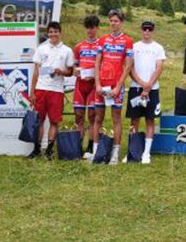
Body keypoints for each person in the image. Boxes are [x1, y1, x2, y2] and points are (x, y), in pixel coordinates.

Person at [28, 21, 74, 160]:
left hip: (56, 91)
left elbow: (70, 72)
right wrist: (32, 92)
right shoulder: (41, 49)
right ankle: (36, 149)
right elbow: (36, 72)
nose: (53, 34)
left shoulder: (67, 50)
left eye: (56, 31)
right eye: (51, 32)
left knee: (54, 121)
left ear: (60, 32)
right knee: (39, 121)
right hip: (41, 89)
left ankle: (49, 149)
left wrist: (61, 72)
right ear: (48, 33)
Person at [94, 9, 133, 164]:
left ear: (122, 23)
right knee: (98, 117)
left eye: (116, 21)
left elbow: (128, 66)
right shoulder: (102, 40)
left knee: (116, 118)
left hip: (116, 84)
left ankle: (115, 154)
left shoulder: (127, 41)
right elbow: (97, 63)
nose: (113, 23)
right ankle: (96, 152)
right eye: (111, 21)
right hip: (102, 84)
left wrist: (118, 87)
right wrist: (97, 84)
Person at [127, 20, 166, 164]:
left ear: (153, 30)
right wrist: (141, 83)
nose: (147, 31)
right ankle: (133, 151)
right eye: (145, 29)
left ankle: (146, 153)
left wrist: (148, 85)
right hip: (136, 87)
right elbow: (130, 67)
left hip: (152, 89)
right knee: (134, 120)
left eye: (149, 29)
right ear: (141, 30)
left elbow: (159, 67)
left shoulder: (158, 48)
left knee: (150, 120)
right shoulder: (134, 47)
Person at [73, 15, 100, 157]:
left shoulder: (101, 46)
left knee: (92, 116)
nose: (90, 31)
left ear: (97, 28)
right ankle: (78, 146)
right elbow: (74, 67)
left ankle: (90, 146)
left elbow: (103, 66)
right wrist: (75, 71)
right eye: (88, 28)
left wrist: (95, 76)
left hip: (94, 85)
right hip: (80, 85)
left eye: (93, 28)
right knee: (78, 116)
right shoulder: (78, 47)